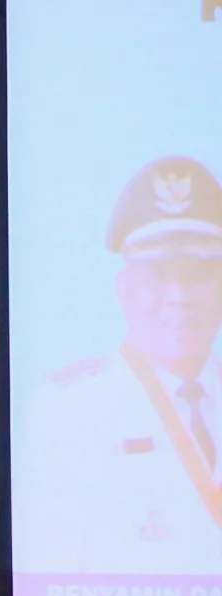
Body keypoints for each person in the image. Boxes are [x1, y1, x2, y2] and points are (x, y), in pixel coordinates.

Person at [21, 156, 222, 574]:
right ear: (124, 289)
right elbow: (47, 573)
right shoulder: (70, 412)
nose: (179, 297)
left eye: (198, 276)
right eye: (158, 277)